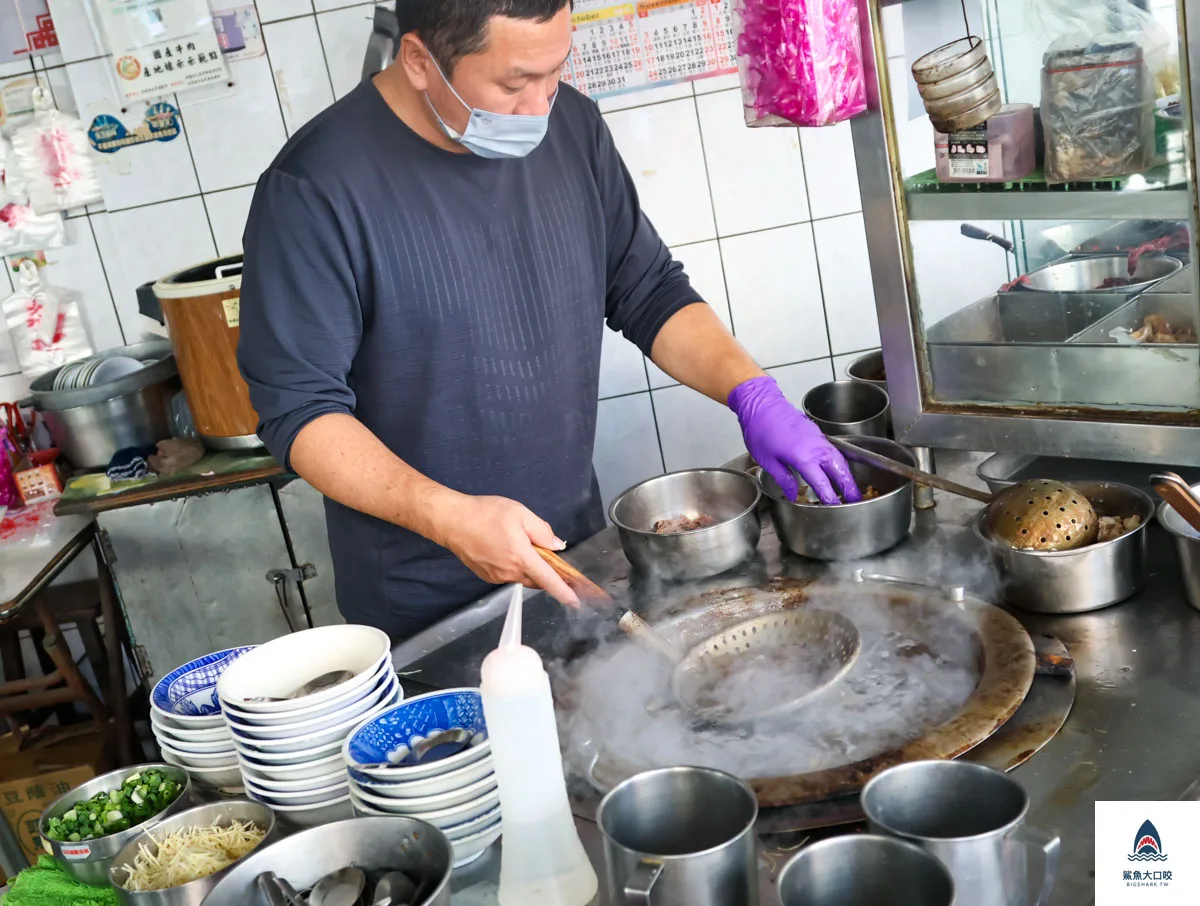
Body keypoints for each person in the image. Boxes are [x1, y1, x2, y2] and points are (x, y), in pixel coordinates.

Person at [237, 0, 860, 641]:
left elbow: (648, 291)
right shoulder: (313, 190)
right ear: (420, 60)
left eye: (554, 72)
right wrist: (451, 518)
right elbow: (301, 412)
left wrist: (751, 393)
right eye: (513, 84)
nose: (541, 105)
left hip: (573, 554)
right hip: (428, 604)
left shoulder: (573, 129)